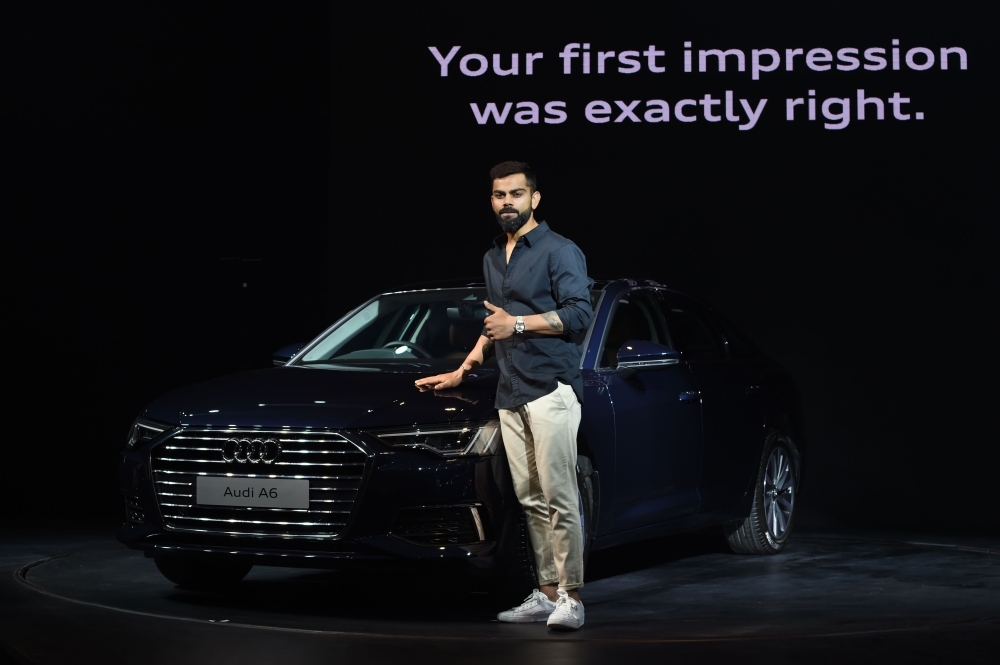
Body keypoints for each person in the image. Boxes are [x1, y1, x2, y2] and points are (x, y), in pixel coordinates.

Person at [415, 161, 594, 630]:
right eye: (499, 195)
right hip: (510, 389)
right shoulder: (494, 257)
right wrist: (466, 366)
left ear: (535, 199)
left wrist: (516, 324)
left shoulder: (560, 251)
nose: (507, 203)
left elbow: (578, 315)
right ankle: (547, 592)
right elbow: (495, 322)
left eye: (516, 194)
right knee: (530, 497)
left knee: (560, 495)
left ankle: (572, 598)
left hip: (550, 387)